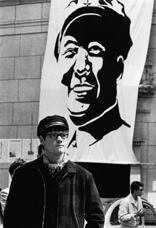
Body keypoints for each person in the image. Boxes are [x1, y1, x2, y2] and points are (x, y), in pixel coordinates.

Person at [54, 0, 133, 148]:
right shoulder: (60, 145)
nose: (80, 67)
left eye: (94, 50)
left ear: (118, 67)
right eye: (71, 52)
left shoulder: (122, 142)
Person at [3, 115, 104, 228]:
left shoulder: (83, 176)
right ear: (42, 139)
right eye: (53, 135)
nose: (60, 139)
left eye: (63, 135)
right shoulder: (24, 174)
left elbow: (97, 217)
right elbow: (10, 216)